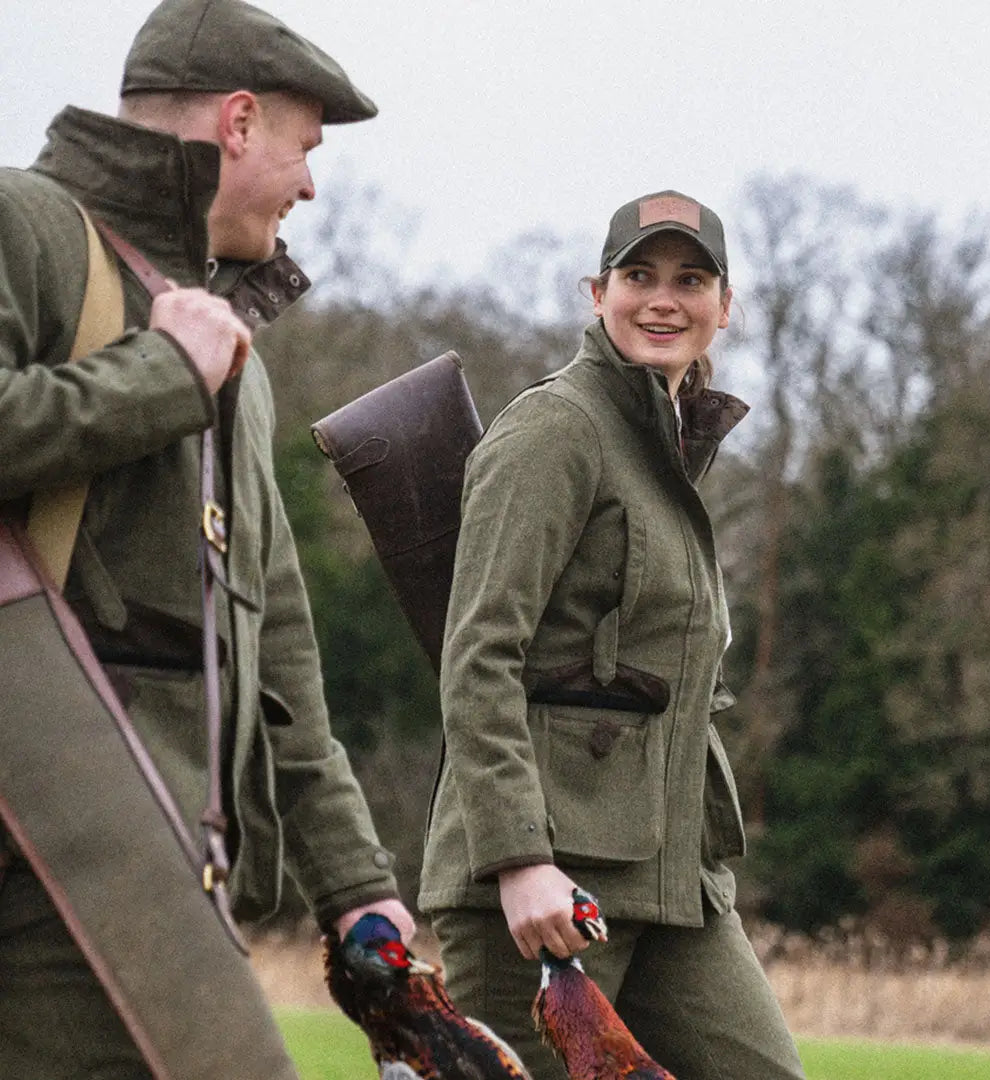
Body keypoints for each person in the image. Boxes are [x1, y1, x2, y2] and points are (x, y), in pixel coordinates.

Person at [0, 0, 413, 1075]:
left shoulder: (230, 347)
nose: (313, 184)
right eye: (303, 146)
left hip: (160, 870)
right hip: (38, 849)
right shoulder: (22, 225)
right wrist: (163, 376)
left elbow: (273, 648)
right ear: (237, 122)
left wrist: (357, 886)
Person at [419, 190, 805, 1079]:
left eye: (690, 279)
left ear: (724, 305)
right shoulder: (555, 429)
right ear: (598, 293)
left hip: (676, 882)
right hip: (544, 887)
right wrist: (518, 859)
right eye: (639, 276)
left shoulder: (668, 442)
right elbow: (479, 655)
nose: (663, 300)